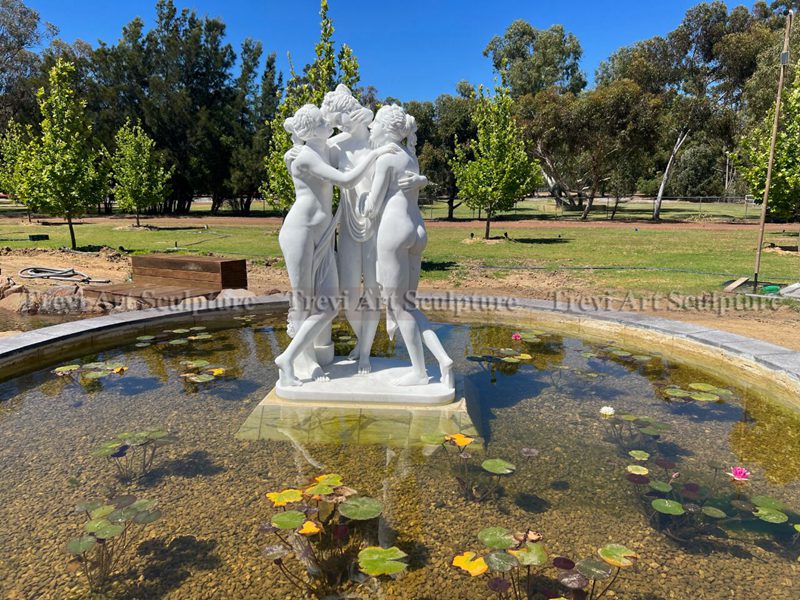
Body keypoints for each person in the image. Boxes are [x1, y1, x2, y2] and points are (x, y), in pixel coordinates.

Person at [275, 104, 397, 387]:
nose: (328, 121)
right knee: (305, 301)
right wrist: (376, 155)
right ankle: (300, 360)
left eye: (329, 118)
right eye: (323, 119)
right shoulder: (314, 154)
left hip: (326, 234)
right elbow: (345, 179)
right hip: (301, 232)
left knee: (329, 303)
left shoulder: (325, 150)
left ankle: (291, 357)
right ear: (313, 129)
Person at [363, 104, 454, 388]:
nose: (371, 128)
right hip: (417, 230)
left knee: (400, 308)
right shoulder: (409, 157)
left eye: (374, 123)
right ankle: (443, 360)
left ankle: (419, 371)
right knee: (410, 306)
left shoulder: (386, 159)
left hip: (394, 231)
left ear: (385, 128)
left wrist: (359, 198)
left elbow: (372, 207)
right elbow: (415, 185)